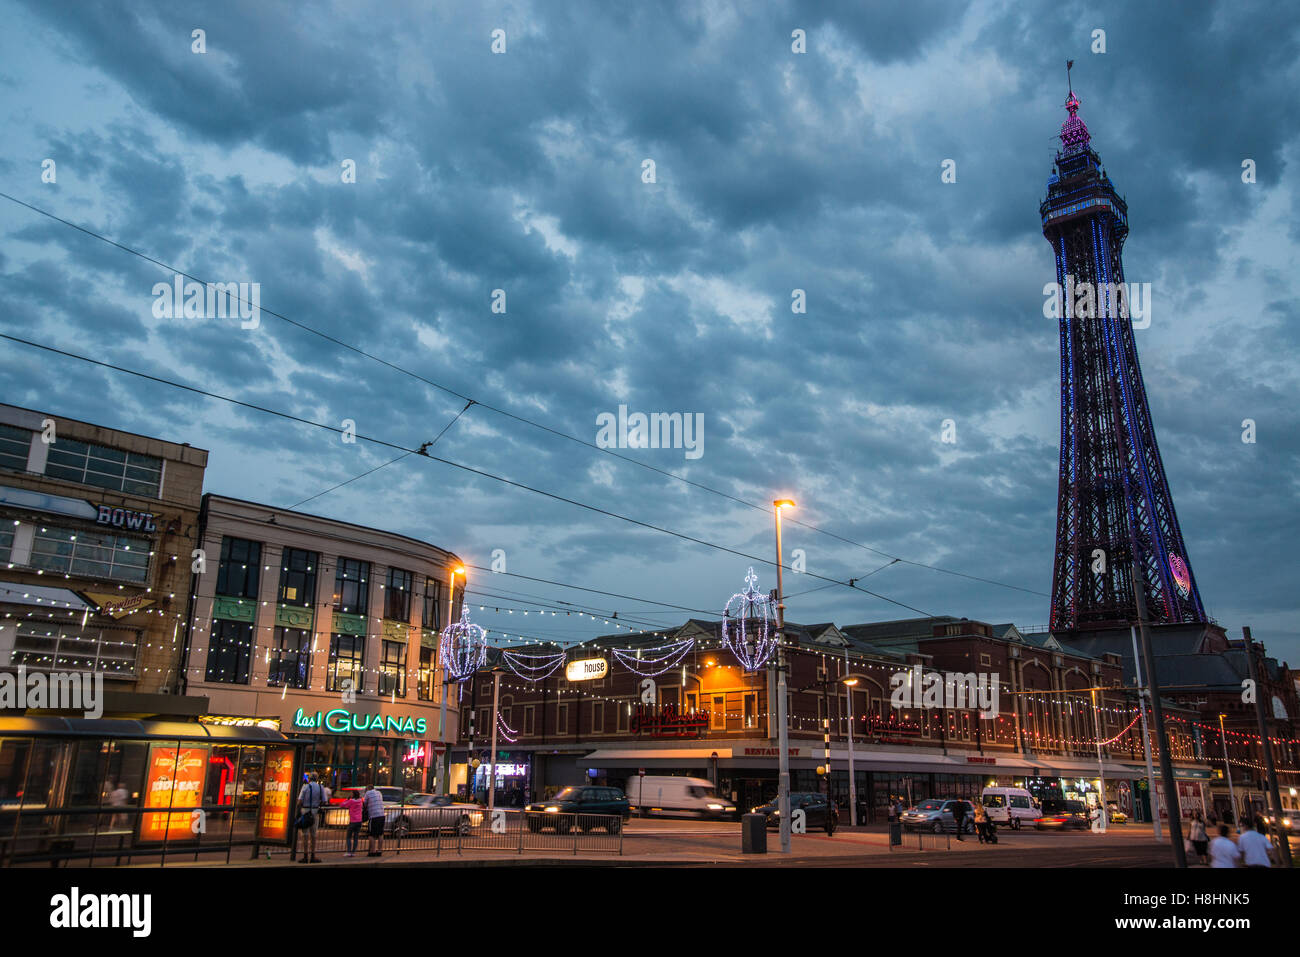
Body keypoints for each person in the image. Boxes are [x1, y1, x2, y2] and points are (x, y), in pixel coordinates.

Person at [297, 772, 326, 863]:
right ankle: (313, 856)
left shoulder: (305, 787)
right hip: (315, 811)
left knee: (305, 835)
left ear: (309, 778)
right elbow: (324, 801)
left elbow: (300, 801)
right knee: (313, 835)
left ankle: (305, 856)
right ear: (317, 778)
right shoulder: (320, 788)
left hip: (305, 811)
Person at [363, 783, 387, 857]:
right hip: (382, 815)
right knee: (380, 834)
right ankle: (379, 850)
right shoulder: (379, 792)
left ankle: (372, 851)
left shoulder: (368, 793)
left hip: (374, 815)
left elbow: (365, 803)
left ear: (367, 789)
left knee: (371, 834)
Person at [342, 791, 365, 857]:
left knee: (348, 837)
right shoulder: (360, 801)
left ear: (353, 795)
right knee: (356, 837)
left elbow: (342, 805)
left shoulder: (351, 801)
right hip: (359, 821)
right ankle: (353, 852)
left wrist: (347, 799)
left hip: (353, 821)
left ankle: (349, 851)